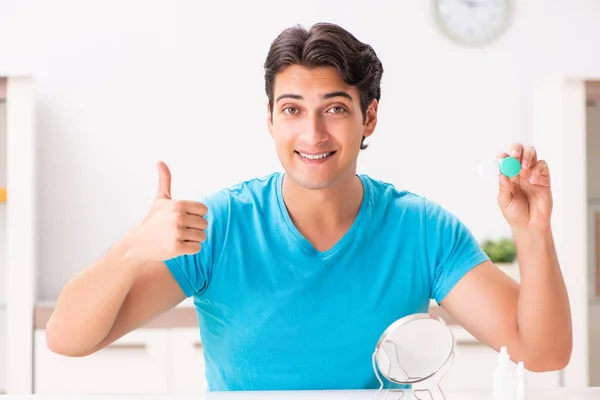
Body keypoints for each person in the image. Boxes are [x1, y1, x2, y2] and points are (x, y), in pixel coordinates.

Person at [45, 22, 572, 391]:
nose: (312, 133)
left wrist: (532, 230)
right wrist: (132, 249)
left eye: (336, 109)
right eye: (292, 109)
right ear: (270, 120)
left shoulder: (421, 230)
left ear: (369, 120)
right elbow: (67, 340)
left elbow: (543, 352)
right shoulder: (217, 226)